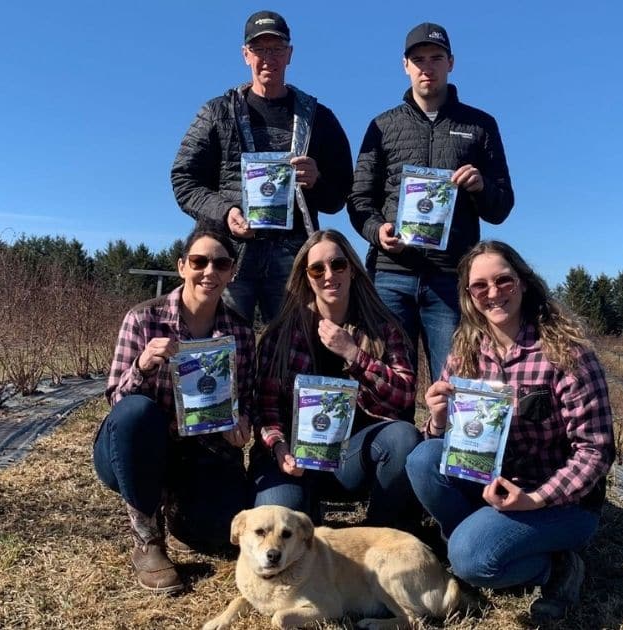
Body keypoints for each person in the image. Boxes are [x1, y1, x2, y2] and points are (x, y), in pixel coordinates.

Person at [404, 241, 615, 620]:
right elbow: (448, 445)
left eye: (504, 280)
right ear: (468, 296)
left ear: (523, 282)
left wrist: (535, 500)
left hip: (559, 502)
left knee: (471, 559)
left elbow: (596, 451)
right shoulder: (466, 349)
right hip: (496, 484)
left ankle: (556, 566)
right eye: (479, 286)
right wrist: (437, 419)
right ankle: (483, 539)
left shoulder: (565, 352)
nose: (493, 293)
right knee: (422, 459)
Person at [348, 21, 514, 385]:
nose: (427, 66)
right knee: (388, 386)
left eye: (436, 57)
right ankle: (395, 443)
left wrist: (481, 186)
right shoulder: (382, 126)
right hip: (390, 277)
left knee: (455, 386)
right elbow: (358, 199)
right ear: (405, 65)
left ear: (451, 63)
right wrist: (378, 232)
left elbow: (501, 207)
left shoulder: (481, 125)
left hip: (451, 280)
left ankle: (443, 443)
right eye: (418, 59)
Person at [93, 223, 255, 594]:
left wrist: (242, 420)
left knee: (220, 534)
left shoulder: (241, 333)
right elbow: (117, 404)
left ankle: (181, 513)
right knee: (136, 413)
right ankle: (147, 539)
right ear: (182, 266)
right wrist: (144, 365)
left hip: (198, 451)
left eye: (220, 263)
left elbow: (244, 398)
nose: (209, 272)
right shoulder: (143, 319)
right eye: (199, 261)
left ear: (232, 272)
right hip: (137, 448)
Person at [171, 9, 353, 324]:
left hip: (294, 253)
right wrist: (225, 212)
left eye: (277, 49)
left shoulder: (320, 118)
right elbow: (184, 180)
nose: (268, 57)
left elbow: (339, 196)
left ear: (290, 54)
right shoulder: (216, 112)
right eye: (259, 49)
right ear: (245, 55)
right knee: (224, 343)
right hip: (230, 253)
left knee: (291, 348)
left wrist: (317, 180)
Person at [250, 229, 422, 531]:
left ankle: (381, 533)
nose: (329, 274)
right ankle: (305, 507)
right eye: (317, 268)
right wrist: (278, 448)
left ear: (353, 270)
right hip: (293, 459)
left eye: (338, 264)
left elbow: (405, 396)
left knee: (403, 436)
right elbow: (266, 406)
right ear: (306, 277)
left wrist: (354, 354)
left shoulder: (383, 328)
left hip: (350, 459)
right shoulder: (282, 333)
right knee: (274, 519)